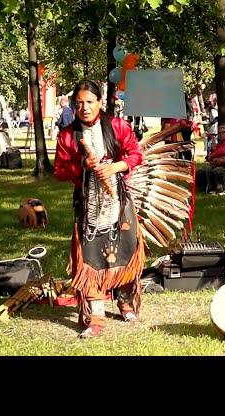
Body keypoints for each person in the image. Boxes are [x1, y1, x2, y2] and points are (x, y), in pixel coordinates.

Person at [54, 79, 145, 338]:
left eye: (90, 102)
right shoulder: (68, 135)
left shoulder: (117, 126)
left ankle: (125, 302)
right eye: (79, 103)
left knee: (125, 250)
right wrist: (82, 165)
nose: (84, 107)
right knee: (91, 256)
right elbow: (60, 171)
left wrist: (114, 167)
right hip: (88, 203)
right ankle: (96, 314)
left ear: (100, 102)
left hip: (118, 199)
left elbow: (135, 154)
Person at [196, 125, 225, 194]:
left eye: (223, 132)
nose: (221, 134)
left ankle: (222, 189)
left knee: (217, 171)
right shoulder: (220, 143)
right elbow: (216, 152)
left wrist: (211, 156)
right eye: (219, 133)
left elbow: (223, 152)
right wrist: (213, 150)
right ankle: (208, 188)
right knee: (204, 170)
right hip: (223, 164)